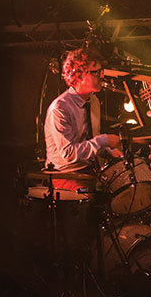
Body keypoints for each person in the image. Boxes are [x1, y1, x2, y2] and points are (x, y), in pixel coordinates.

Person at [44, 47, 124, 191]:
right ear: (79, 75)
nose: (101, 76)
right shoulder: (60, 109)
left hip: (88, 171)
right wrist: (104, 140)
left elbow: (90, 141)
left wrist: (109, 152)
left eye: (101, 71)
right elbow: (68, 154)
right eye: (96, 72)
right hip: (66, 175)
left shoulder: (93, 102)